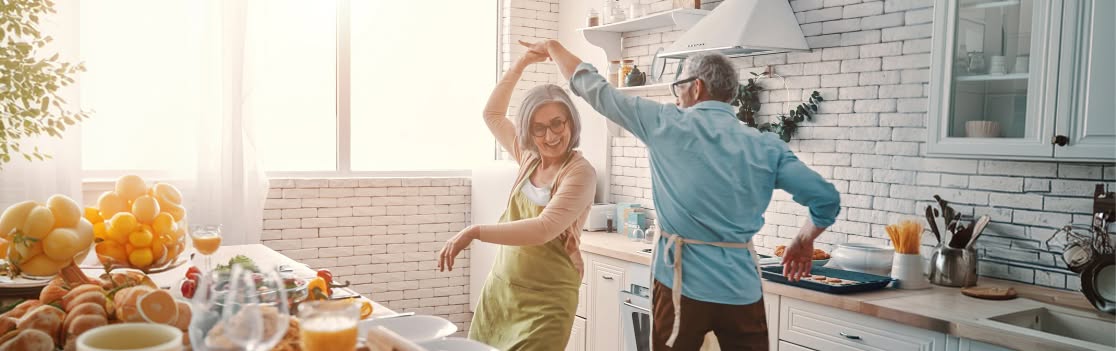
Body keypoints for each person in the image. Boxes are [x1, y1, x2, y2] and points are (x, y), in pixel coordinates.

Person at [520, 39, 841, 351]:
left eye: (679, 87)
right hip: (741, 290)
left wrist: (553, 47)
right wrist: (803, 239)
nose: (676, 98)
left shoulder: (665, 123)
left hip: (679, 287)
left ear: (696, 87)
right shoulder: (766, 146)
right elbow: (826, 199)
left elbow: (595, 89)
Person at [436, 48, 596, 351]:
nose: (549, 136)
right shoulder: (529, 158)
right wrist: (522, 63)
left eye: (557, 123)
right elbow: (492, 114)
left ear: (571, 123)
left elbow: (543, 228)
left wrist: (474, 231)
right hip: (501, 291)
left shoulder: (580, 173)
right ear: (528, 131)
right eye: (538, 128)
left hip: (547, 302)